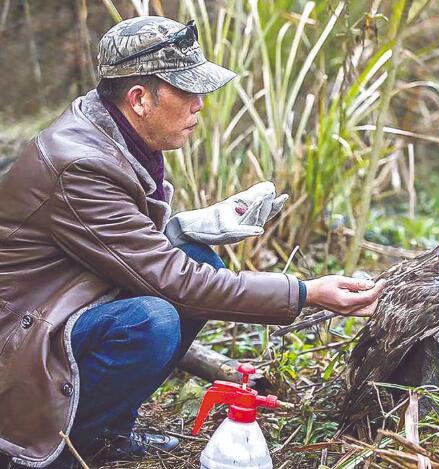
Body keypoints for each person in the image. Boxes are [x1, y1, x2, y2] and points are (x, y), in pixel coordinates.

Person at [0, 16, 384, 469]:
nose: (201, 104)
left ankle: (106, 432)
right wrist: (305, 292)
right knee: (152, 320)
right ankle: (62, 449)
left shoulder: (115, 131)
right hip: (21, 341)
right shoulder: (80, 163)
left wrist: (181, 230)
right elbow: (170, 281)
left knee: (197, 258)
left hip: (64, 303)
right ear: (139, 98)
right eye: (187, 91)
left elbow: (115, 244)